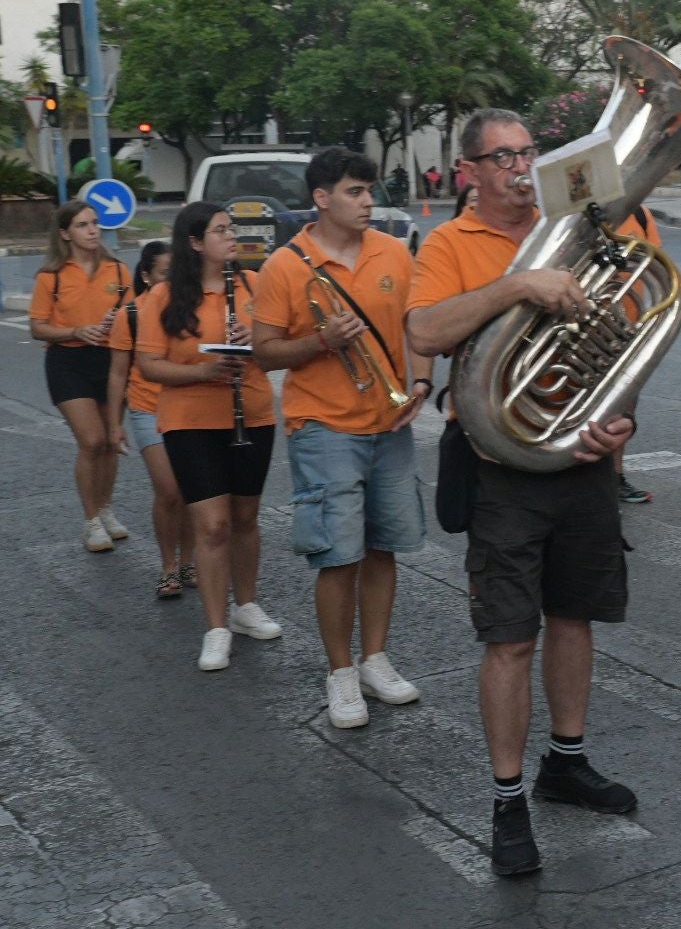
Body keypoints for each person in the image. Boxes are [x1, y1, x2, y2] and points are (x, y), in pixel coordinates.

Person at [408, 108, 638, 878]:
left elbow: (629, 336)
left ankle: (565, 761)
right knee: (509, 637)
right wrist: (518, 286)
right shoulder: (448, 244)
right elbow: (426, 330)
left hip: (580, 460)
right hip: (501, 469)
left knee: (576, 618)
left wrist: (617, 419)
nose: (517, 167)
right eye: (500, 157)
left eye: (527, 153)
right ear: (468, 169)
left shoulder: (579, 228)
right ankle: (508, 799)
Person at [252, 147, 432, 729]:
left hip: (390, 422)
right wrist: (320, 341)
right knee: (338, 555)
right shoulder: (286, 265)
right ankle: (341, 673)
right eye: (355, 192)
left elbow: (417, 326)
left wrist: (422, 381)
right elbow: (263, 350)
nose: (367, 202)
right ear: (322, 198)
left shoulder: (391, 251)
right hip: (323, 425)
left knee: (384, 548)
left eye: (369, 191)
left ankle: (376, 658)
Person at [136, 202, 282, 671]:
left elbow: (278, 348)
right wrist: (205, 370)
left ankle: (247, 606)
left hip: (252, 414)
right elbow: (150, 365)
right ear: (195, 243)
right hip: (190, 421)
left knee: (245, 518)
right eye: (221, 230)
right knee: (213, 525)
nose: (232, 236)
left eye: (232, 228)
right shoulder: (163, 296)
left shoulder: (256, 286)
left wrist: (254, 337)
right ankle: (216, 627)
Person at [30, 201, 131, 553]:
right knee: (91, 440)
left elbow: (134, 316)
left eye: (95, 223)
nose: (92, 230)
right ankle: (91, 520)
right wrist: (75, 330)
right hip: (67, 361)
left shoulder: (118, 271)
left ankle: (105, 508)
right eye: (82, 225)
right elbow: (37, 327)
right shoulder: (51, 276)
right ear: (65, 233)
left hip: (110, 361)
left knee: (110, 441)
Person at [107, 241, 196, 597]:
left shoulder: (193, 309)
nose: (171, 281)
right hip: (148, 410)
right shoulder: (130, 314)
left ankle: (189, 563)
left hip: (191, 409)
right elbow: (117, 374)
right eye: (163, 274)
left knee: (194, 490)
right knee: (169, 489)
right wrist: (115, 423)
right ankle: (168, 567)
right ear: (145, 276)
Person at [612, 203, 662, 504]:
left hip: (630, 324)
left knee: (625, 404)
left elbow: (656, 263)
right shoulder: (581, 213)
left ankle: (615, 475)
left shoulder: (641, 213)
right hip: (586, 324)